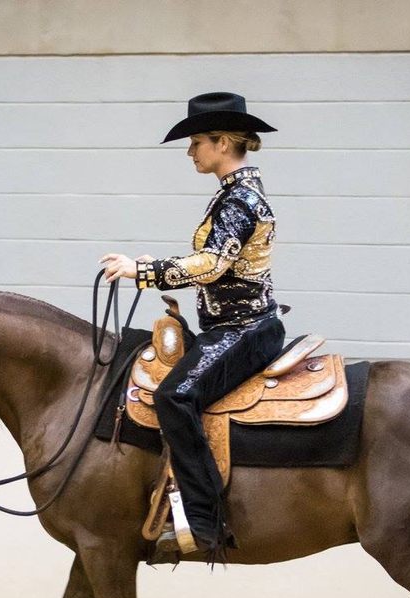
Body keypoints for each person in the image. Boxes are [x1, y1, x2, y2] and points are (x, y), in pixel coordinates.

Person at [100, 92, 285, 561]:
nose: (190, 152)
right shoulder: (233, 194)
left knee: (175, 397)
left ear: (223, 142)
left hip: (244, 330)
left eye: (197, 141)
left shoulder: (240, 199)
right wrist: (157, 266)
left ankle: (205, 522)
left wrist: (144, 271)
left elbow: (213, 264)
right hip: (231, 326)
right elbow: (215, 262)